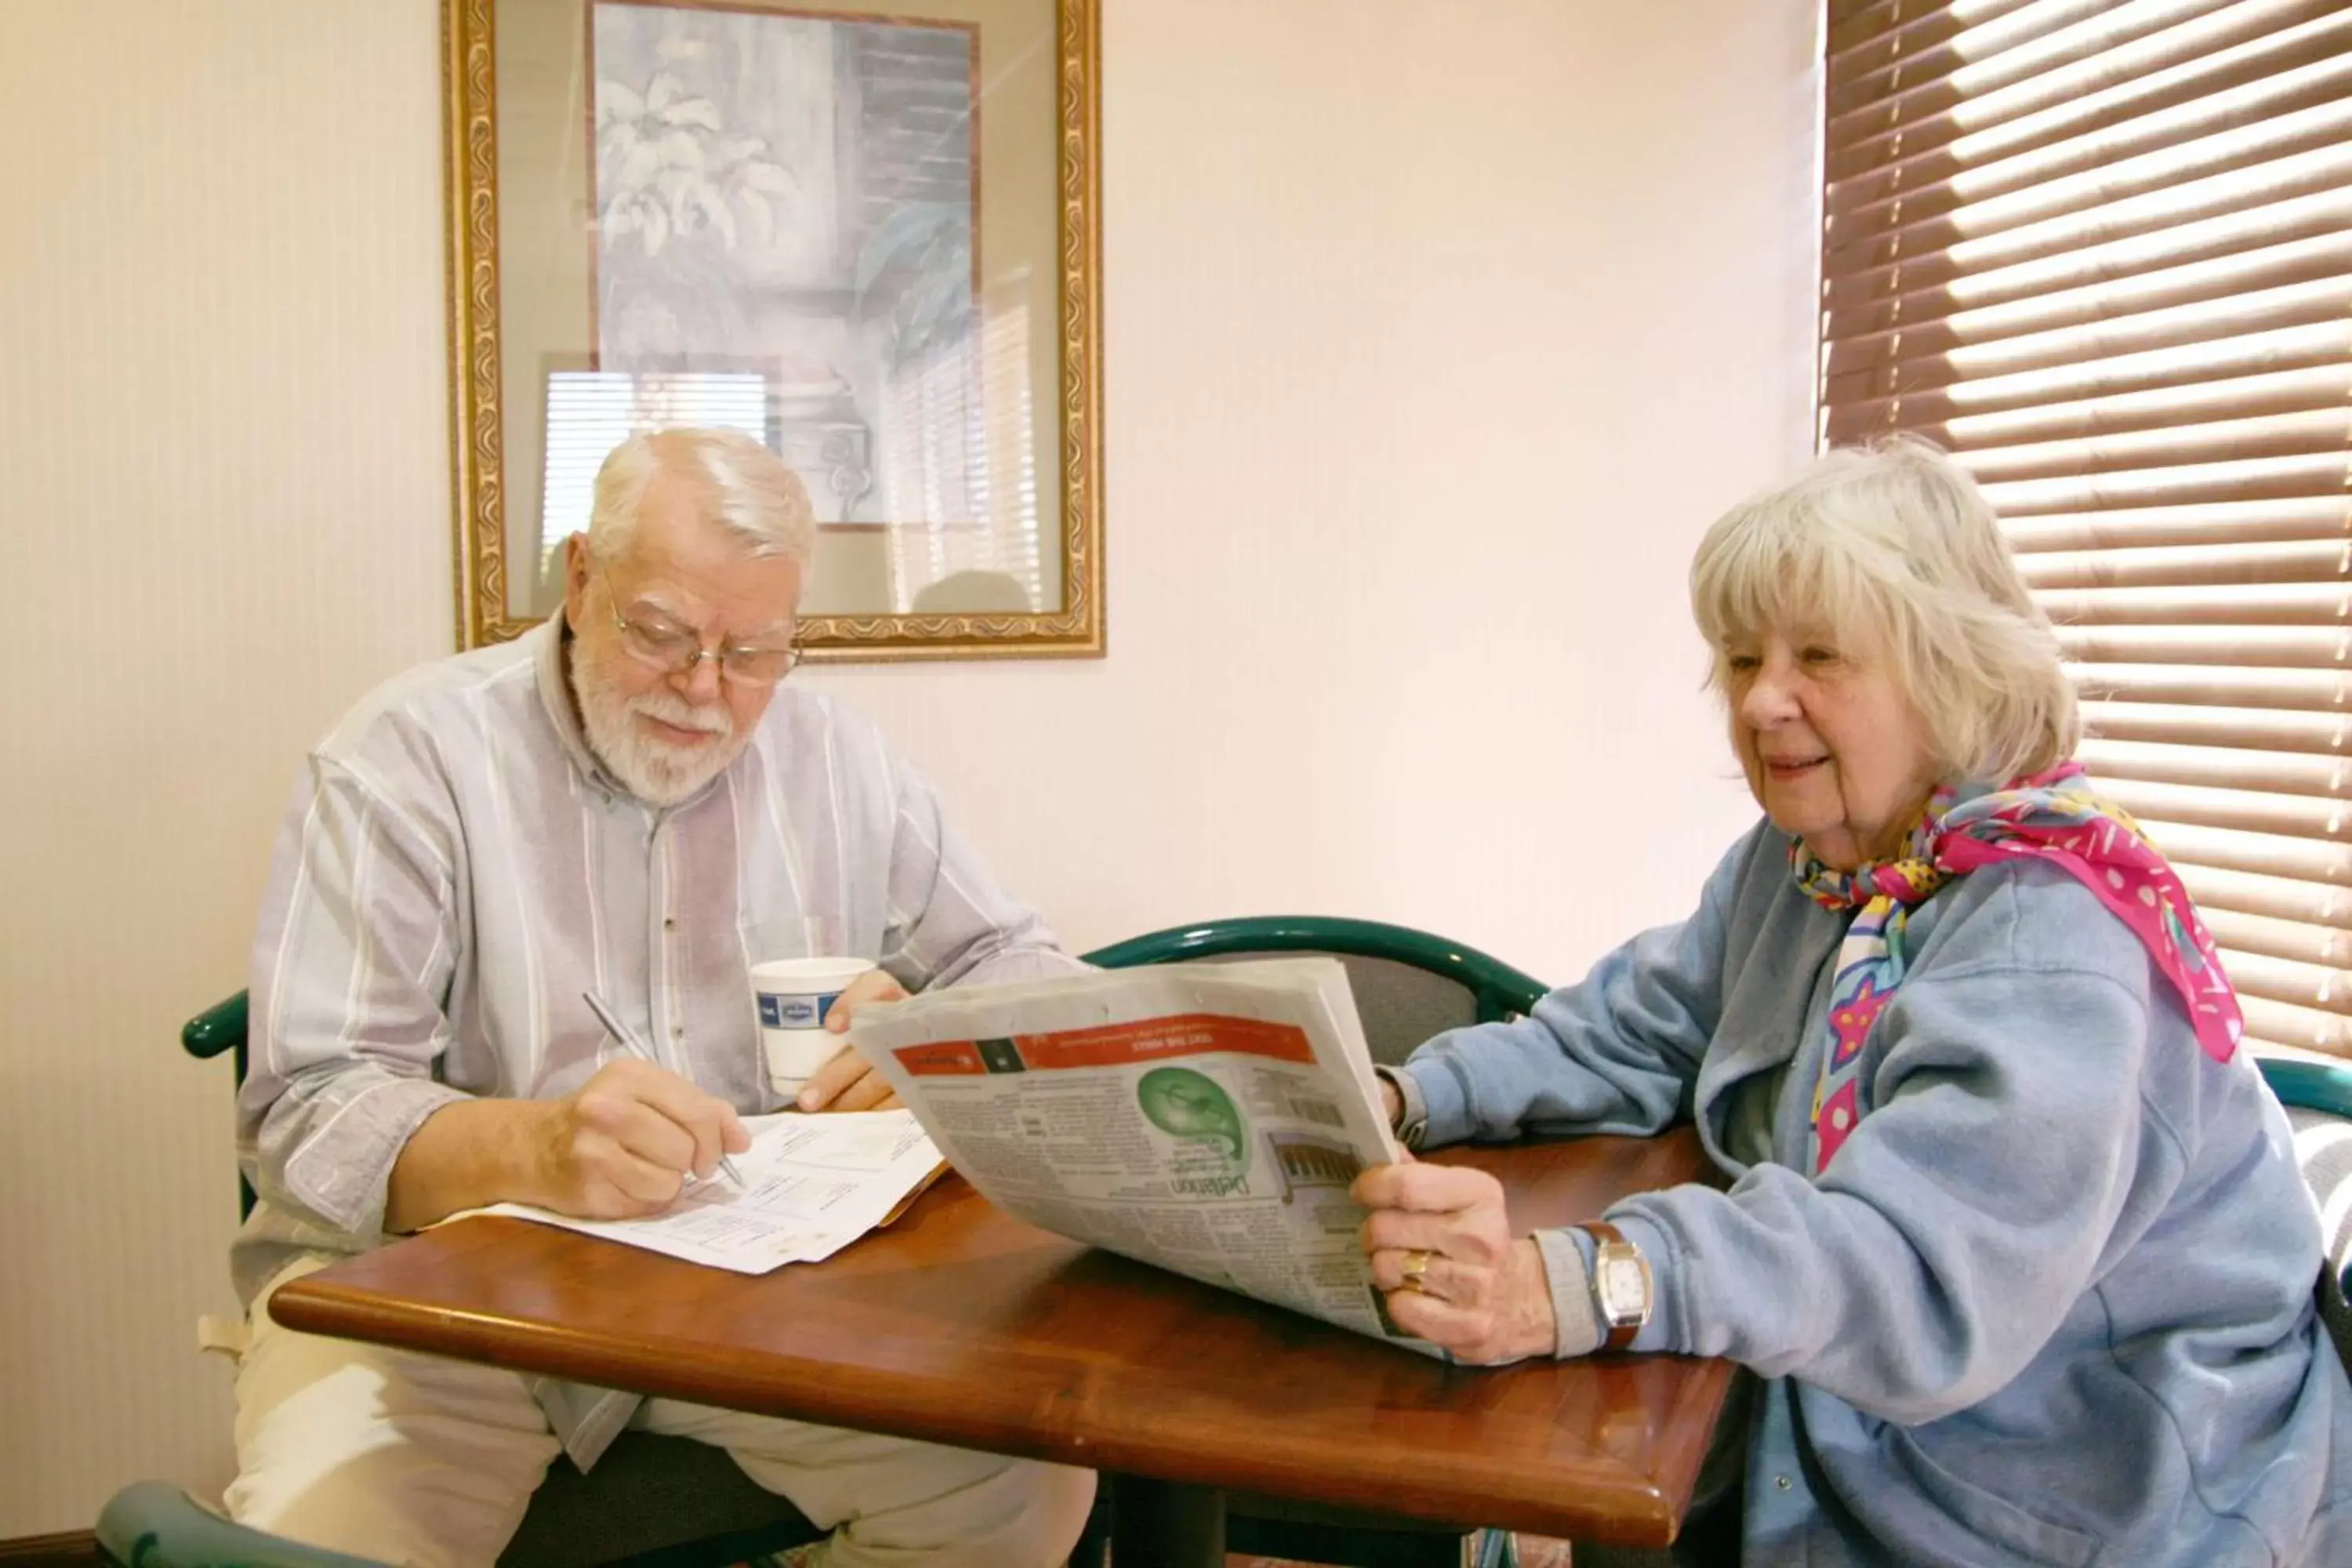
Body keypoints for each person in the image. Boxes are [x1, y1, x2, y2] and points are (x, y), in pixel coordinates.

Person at [1351, 438, 2352, 1565]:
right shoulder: (1812, 866)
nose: (1763, 698)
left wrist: (1577, 1280)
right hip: (1856, 1416)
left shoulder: (2050, 929)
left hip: (2083, 1480)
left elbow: (1911, 1266)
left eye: (1819, 655)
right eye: (1739, 659)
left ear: (1951, 668)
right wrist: (1400, 1096)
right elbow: (1634, 1025)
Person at [223, 428, 1096, 1567]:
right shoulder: (409, 756)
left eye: (754, 652)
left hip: (760, 1296)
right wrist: (532, 1148)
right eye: (663, 633)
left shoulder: (839, 759)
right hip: (436, 1301)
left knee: (1020, 1486)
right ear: (580, 579)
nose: (703, 690)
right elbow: (305, 1109)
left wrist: (931, 1044)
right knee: (320, 1545)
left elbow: (1025, 968)